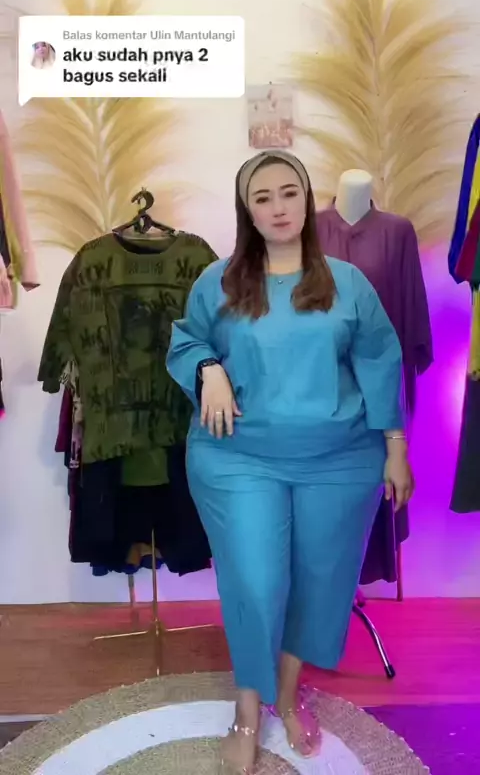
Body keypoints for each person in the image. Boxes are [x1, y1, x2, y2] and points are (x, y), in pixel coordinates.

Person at [166, 150, 414, 774]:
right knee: (254, 580)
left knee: (319, 579)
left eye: (289, 193)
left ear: (306, 200)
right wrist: (207, 367)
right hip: (239, 457)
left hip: (339, 460)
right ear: (246, 211)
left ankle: (286, 691)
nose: (278, 208)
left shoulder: (347, 283)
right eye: (263, 197)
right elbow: (187, 339)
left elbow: (380, 360)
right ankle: (247, 710)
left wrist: (395, 447)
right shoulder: (219, 281)